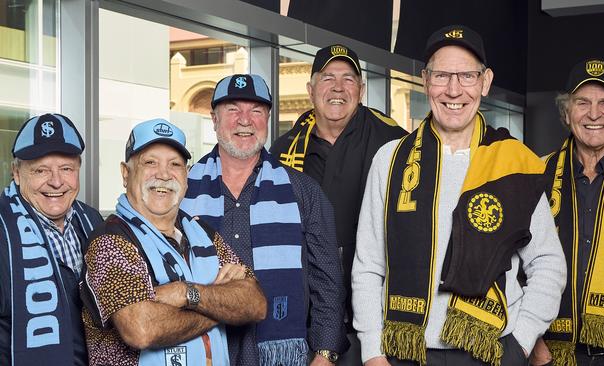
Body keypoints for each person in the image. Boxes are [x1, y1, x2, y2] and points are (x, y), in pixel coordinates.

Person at [351, 24, 567, 366]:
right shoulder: (390, 160)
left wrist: (522, 341)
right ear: (424, 80)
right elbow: (368, 265)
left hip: (489, 348)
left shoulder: (512, 161)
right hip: (405, 351)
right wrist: (373, 351)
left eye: (467, 75)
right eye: (441, 75)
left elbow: (548, 263)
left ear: (485, 81)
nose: (454, 90)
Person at [181, 74, 349, 365]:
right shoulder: (181, 190)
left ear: (267, 118)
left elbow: (329, 281)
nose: (245, 120)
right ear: (214, 118)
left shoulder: (304, 191)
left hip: (280, 353)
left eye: (256, 111)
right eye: (233, 109)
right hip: (201, 349)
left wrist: (325, 354)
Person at [80, 118, 266, 366]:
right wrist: (221, 308)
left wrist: (185, 293)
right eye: (150, 162)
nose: (163, 174)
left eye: (175, 164)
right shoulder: (110, 242)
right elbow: (142, 329)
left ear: (186, 176)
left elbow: (256, 304)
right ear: (126, 173)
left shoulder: (202, 232)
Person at [270, 44, 407, 364]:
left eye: (348, 79)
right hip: (308, 318)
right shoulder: (285, 150)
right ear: (311, 89)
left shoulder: (395, 142)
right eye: (328, 77)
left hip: (380, 318)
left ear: (361, 90)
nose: (337, 87)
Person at [530, 59, 604, 366]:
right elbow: (513, 262)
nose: (594, 114)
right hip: (552, 353)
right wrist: (533, 341)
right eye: (582, 102)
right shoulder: (536, 173)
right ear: (566, 112)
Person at [0, 113, 103, 366]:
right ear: (16, 172)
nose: (56, 182)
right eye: (41, 170)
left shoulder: (93, 220)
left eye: (66, 169)